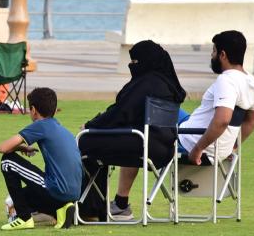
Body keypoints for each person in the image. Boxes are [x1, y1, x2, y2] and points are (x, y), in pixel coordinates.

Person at [78, 40, 186, 221]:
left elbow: (120, 112)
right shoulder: (167, 85)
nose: (132, 66)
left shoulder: (146, 83)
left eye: (135, 62)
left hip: (143, 145)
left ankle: (91, 208)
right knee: (104, 141)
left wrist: (90, 126)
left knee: (85, 142)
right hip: (165, 148)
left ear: (145, 61)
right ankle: (117, 205)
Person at [0, 87, 82, 230]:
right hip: (74, 193)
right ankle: (61, 209)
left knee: (7, 161)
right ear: (54, 111)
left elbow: (3, 148)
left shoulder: (40, 125)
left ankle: (25, 218)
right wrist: (23, 148)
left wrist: (18, 148)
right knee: (22, 198)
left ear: (33, 110)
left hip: (57, 189)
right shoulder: (61, 127)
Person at [179, 30, 254, 165]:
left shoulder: (227, 80)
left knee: (152, 115)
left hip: (189, 140)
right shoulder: (252, 83)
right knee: (171, 109)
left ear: (223, 55)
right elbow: (253, 119)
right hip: (198, 132)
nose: (212, 55)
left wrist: (198, 149)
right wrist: (232, 147)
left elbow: (222, 120)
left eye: (214, 51)